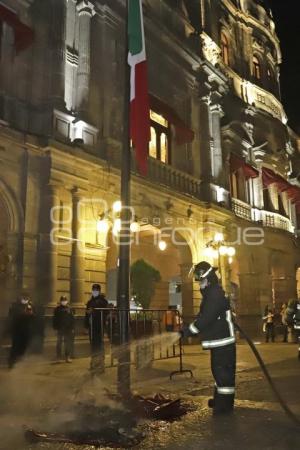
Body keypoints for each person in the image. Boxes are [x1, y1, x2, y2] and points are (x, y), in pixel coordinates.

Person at [180, 261, 236, 415]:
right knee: (219, 372)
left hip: (223, 341)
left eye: (198, 276)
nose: (198, 280)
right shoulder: (212, 293)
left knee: (223, 374)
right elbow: (204, 316)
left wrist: (188, 331)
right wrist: (190, 328)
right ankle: (220, 401)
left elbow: (207, 318)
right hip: (220, 341)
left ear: (205, 275)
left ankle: (224, 406)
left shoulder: (214, 294)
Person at [85, 283, 109, 372]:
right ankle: (93, 364)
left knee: (99, 346)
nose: (94, 291)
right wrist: (86, 326)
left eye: (96, 290)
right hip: (92, 326)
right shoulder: (90, 302)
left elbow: (104, 313)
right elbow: (86, 314)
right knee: (93, 346)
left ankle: (101, 365)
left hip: (99, 326)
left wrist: (93, 311)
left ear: (99, 291)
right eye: (93, 290)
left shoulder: (103, 301)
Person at [8, 293, 35, 368]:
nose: (25, 299)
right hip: (17, 330)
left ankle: (19, 361)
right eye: (24, 297)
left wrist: (31, 314)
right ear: (20, 297)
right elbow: (12, 316)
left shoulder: (30, 306)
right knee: (15, 346)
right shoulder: (15, 306)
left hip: (26, 330)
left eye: (27, 297)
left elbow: (33, 318)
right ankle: (11, 362)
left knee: (24, 346)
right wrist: (23, 314)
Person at [53, 296, 75, 363]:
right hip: (60, 328)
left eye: (65, 300)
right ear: (60, 301)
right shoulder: (57, 309)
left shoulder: (70, 309)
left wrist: (72, 328)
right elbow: (55, 319)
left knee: (67, 343)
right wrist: (55, 327)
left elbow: (72, 319)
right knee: (59, 343)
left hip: (68, 328)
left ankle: (67, 357)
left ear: (67, 301)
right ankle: (58, 357)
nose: (64, 301)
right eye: (62, 300)